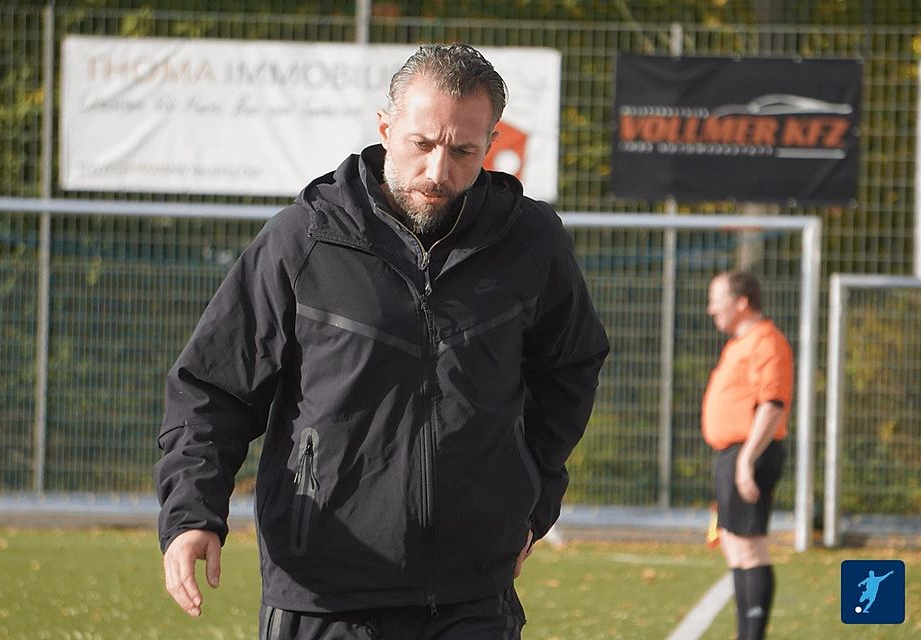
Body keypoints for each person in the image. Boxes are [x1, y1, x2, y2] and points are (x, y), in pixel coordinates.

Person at [154, 43, 609, 640]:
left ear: (490, 146)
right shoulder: (304, 240)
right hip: (323, 593)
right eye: (422, 144)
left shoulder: (532, 243)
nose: (438, 172)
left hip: (473, 595)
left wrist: (534, 498)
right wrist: (192, 513)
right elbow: (213, 387)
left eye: (463, 150)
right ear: (386, 128)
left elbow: (570, 370)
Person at [702, 271, 793, 640]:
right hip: (733, 454)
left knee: (750, 548)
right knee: (735, 545)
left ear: (741, 302)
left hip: (750, 454)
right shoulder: (740, 342)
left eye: (716, 299)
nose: (711, 309)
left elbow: (772, 404)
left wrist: (746, 460)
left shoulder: (767, 342)